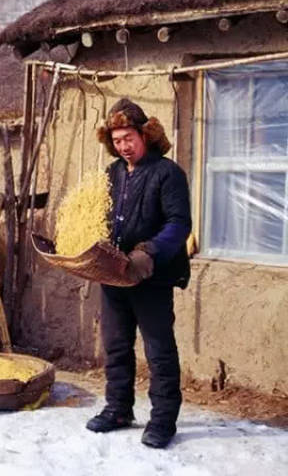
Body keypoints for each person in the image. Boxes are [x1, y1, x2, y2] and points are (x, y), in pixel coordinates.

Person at [85, 98, 192, 449]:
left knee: (158, 349)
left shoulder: (167, 173)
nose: (123, 147)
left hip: (151, 276)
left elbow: (179, 223)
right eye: (116, 141)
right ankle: (118, 408)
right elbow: (99, 215)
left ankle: (162, 420)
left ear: (145, 134)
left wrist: (149, 251)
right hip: (114, 274)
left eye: (128, 138)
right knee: (115, 345)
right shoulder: (112, 174)